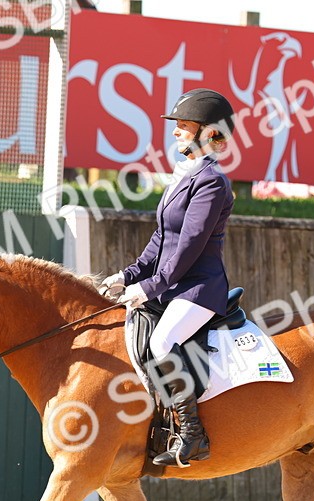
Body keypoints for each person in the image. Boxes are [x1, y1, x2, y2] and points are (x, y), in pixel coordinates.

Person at [101, 88, 236, 468]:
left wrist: (147, 288)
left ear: (208, 133)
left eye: (183, 126)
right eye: (176, 126)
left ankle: (193, 435)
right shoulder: (184, 177)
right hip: (172, 285)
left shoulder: (211, 182)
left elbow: (189, 247)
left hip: (199, 289)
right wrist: (125, 277)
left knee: (162, 341)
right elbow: (161, 240)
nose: (175, 132)